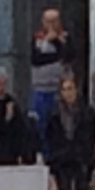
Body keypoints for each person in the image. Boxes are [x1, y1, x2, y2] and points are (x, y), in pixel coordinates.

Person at [43, 75, 95, 190]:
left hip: (81, 159)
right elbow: (50, 137)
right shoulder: (54, 114)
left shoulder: (87, 113)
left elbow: (93, 135)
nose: (68, 93)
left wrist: (88, 156)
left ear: (76, 90)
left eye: (70, 89)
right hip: (61, 159)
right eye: (64, 89)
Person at [29, 9, 74, 149]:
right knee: (39, 122)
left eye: (54, 21)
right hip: (40, 87)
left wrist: (55, 41)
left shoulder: (65, 38)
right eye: (48, 21)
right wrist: (54, 57)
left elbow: (67, 55)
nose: (51, 25)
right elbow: (36, 59)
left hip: (59, 88)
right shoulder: (37, 39)